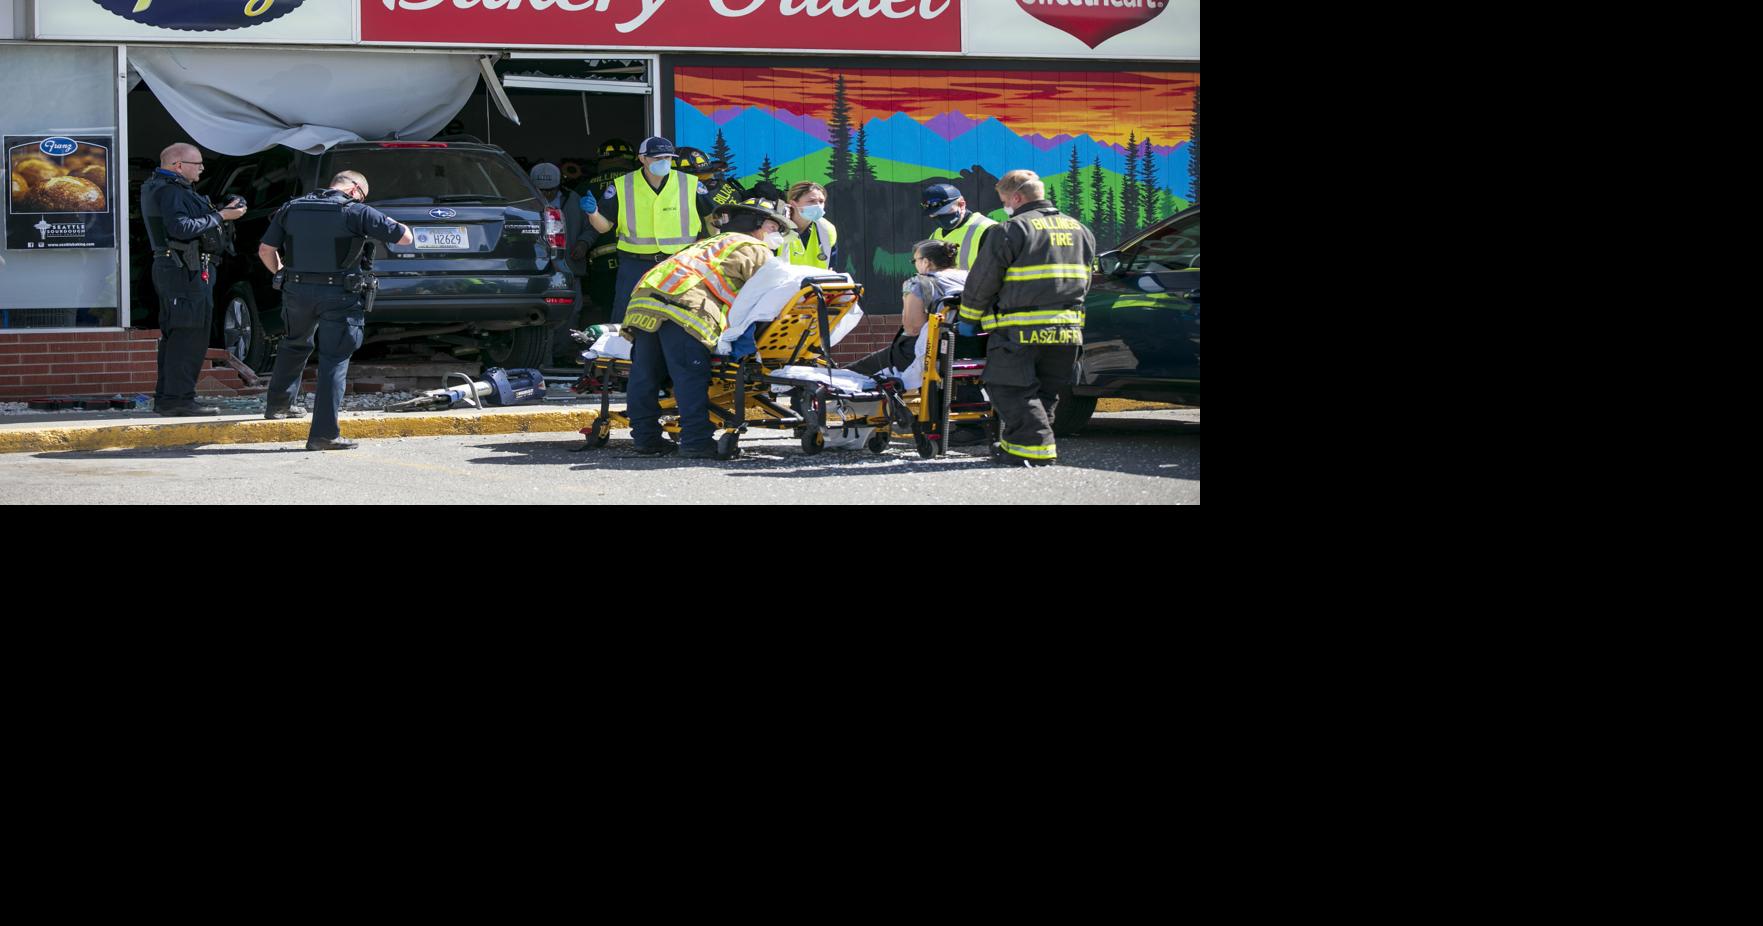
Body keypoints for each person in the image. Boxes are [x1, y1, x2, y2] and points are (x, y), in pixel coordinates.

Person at [619, 196, 791, 459]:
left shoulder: (706, 244)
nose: (777, 234)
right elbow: (768, 296)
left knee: (645, 374)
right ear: (759, 224)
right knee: (689, 374)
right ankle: (696, 441)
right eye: (774, 227)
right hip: (685, 309)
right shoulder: (754, 248)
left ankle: (646, 439)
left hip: (644, 302)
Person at [257, 170, 413, 451]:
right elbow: (405, 237)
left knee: (293, 344)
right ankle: (324, 434)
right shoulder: (356, 211)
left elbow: (266, 250)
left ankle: (278, 406)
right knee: (334, 359)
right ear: (354, 190)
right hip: (339, 295)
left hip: (296, 291)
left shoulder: (291, 208)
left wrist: (282, 273)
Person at [958, 170, 1097, 467]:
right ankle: (1017, 447)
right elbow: (1085, 281)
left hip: (1020, 330)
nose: (1005, 205)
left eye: (1005, 200)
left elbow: (983, 281)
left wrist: (968, 318)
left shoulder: (1010, 229)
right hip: (1067, 332)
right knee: (1043, 392)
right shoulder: (1080, 230)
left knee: (1008, 388)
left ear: (1017, 197)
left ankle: (1037, 447)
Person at [139, 143, 246, 417]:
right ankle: (177, 399)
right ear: (177, 165)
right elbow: (180, 228)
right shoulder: (169, 190)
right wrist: (222, 216)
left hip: (182, 269)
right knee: (187, 335)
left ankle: (170, 397)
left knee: (179, 334)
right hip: (182, 270)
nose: (201, 168)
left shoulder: (168, 188)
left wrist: (221, 211)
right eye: (196, 163)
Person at [583, 136, 717, 325]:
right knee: (626, 312)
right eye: (657, 158)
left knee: (683, 314)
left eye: (668, 158)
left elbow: (711, 218)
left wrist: (711, 251)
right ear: (642, 158)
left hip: (679, 262)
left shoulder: (691, 183)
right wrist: (593, 213)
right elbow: (604, 226)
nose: (663, 162)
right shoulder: (622, 185)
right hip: (635, 263)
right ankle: (621, 351)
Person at [531, 162, 590, 362]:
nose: (546, 195)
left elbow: (593, 226)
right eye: (542, 190)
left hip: (569, 269)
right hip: (536, 270)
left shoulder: (574, 200)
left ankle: (562, 357)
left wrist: (583, 243)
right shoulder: (523, 203)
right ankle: (540, 360)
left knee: (571, 313)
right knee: (537, 315)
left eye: (551, 190)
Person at [575, 138, 637, 326]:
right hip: (637, 258)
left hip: (602, 262)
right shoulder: (639, 183)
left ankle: (611, 347)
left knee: (609, 309)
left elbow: (577, 224)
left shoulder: (584, 187)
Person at [921, 182, 998, 272]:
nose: (939, 216)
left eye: (945, 211)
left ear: (961, 205)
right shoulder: (934, 236)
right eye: (934, 214)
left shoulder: (989, 229)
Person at [779, 181, 838, 270]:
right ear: (793, 203)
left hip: (816, 283)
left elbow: (830, 267)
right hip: (782, 283)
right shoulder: (776, 228)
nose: (818, 206)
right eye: (811, 201)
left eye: (821, 201)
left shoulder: (827, 229)